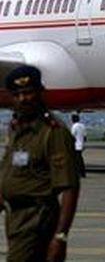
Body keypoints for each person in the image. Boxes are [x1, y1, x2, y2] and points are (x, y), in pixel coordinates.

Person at [0, 65, 80, 261]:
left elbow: (70, 187)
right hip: (15, 218)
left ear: (40, 92)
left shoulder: (52, 132)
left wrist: (60, 237)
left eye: (28, 93)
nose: (22, 99)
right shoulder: (17, 129)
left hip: (37, 219)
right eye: (17, 94)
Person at [70, 114, 87, 178]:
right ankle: (83, 173)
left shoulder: (74, 126)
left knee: (76, 160)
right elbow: (85, 137)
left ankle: (78, 173)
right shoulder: (82, 126)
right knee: (80, 159)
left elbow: (72, 136)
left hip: (76, 145)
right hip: (81, 145)